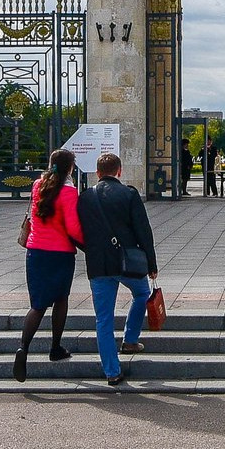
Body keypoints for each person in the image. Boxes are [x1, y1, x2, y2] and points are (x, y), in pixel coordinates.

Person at [79, 151, 157, 386]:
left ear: (97, 172)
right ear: (119, 171)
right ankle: (130, 339)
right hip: (127, 262)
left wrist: (90, 249)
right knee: (142, 294)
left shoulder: (85, 197)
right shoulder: (129, 194)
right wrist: (151, 264)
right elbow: (144, 231)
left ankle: (112, 371)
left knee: (103, 319)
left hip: (99, 264)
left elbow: (78, 231)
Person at [15, 147, 83, 381]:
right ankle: (55, 348)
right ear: (70, 167)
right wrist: (90, 245)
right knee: (61, 299)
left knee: (38, 305)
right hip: (60, 254)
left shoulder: (38, 185)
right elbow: (73, 227)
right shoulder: (68, 192)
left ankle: (23, 347)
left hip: (35, 252)